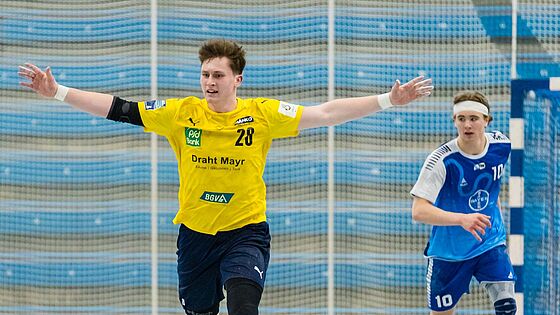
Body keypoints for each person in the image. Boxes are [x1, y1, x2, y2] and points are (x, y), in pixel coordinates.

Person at [19, 38, 433, 315]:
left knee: (243, 306)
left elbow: (324, 113)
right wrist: (57, 92)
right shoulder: (180, 112)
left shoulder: (263, 113)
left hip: (245, 231)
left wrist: (387, 100)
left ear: (237, 79)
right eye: (204, 75)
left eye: (218, 75)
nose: (209, 82)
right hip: (196, 235)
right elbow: (119, 108)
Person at [410, 91, 517, 315]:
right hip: (449, 253)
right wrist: (462, 219)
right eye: (461, 119)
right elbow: (418, 211)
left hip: (489, 242)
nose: (467, 125)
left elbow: (492, 187)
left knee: (507, 305)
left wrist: (497, 224)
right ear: (454, 121)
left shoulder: (502, 146)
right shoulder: (442, 160)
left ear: (486, 120)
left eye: (474, 118)